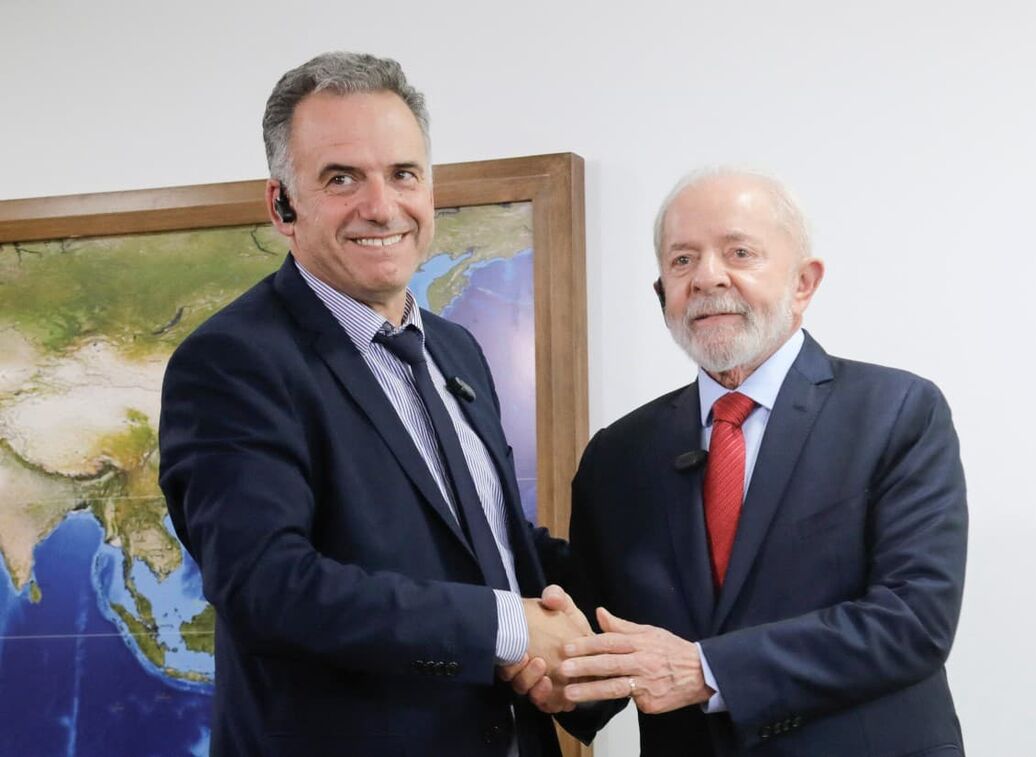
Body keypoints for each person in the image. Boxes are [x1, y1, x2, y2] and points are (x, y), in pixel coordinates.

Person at [158, 52, 589, 757]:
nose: (381, 206)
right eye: (341, 178)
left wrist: (593, 635)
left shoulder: (454, 349)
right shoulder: (233, 362)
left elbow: (492, 545)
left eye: (403, 174)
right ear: (281, 206)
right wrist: (508, 626)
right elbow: (270, 587)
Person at [532, 168, 968, 755]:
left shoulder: (896, 412)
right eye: (682, 260)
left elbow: (913, 621)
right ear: (661, 290)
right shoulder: (618, 456)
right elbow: (610, 643)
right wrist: (561, 678)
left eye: (739, 252)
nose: (708, 277)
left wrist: (707, 669)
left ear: (803, 283)